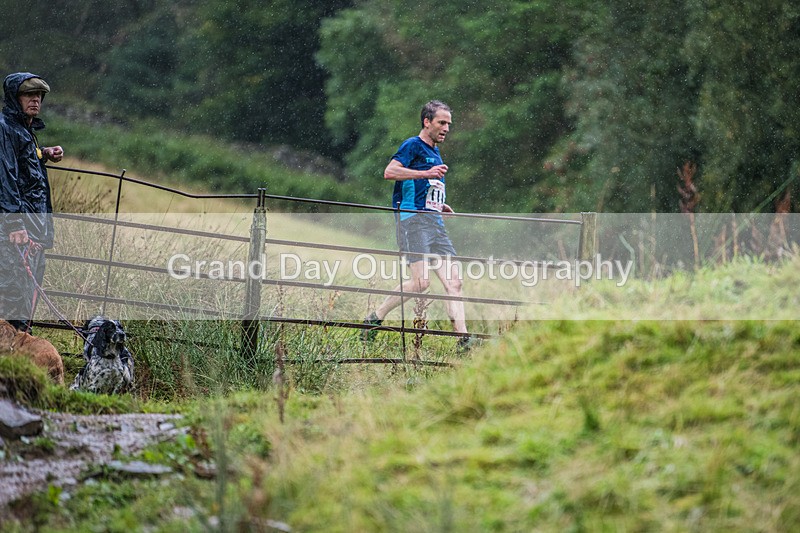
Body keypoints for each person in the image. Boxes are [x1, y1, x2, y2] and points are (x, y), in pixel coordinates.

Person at [362, 100, 476, 352]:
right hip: (413, 221)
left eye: (448, 124)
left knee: (454, 283)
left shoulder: (436, 152)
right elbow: (390, 172)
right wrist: (426, 174)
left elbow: (428, 187)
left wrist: (439, 205)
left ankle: (464, 340)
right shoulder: (412, 145)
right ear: (427, 122)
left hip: (434, 222)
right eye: (441, 123)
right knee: (421, 283)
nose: (446, 128)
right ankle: (373, 319)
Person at [0, 73, 62, 333]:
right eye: (29, 95)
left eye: (39, 96)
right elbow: (4, 177)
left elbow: (23, 170)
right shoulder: (4, 127)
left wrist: (42, 154)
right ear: (15, 98)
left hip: (33, 232)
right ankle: (10, 360)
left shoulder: (24, 129)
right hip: (16, 232)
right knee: (13, 296)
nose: (35, 100)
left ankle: (20, 356)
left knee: (27, 296)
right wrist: (14, 223)